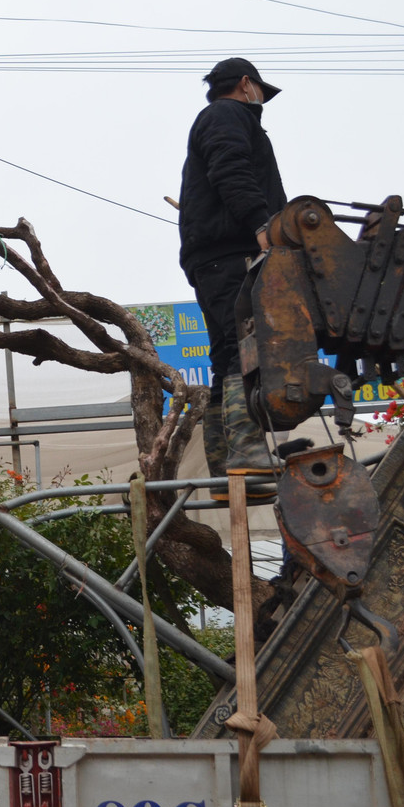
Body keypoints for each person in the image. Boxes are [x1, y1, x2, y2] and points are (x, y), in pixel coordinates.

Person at [177, 58, 287, 499]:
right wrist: (264, 227)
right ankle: (245, 453)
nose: (262, 100)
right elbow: (232, 170)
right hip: (232, 252)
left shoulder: (215, 118)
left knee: (227, 350)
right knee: (245, 348)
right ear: (246, 84)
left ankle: (229, 467)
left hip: (212, 257)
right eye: (260, 90)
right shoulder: (228, 114)